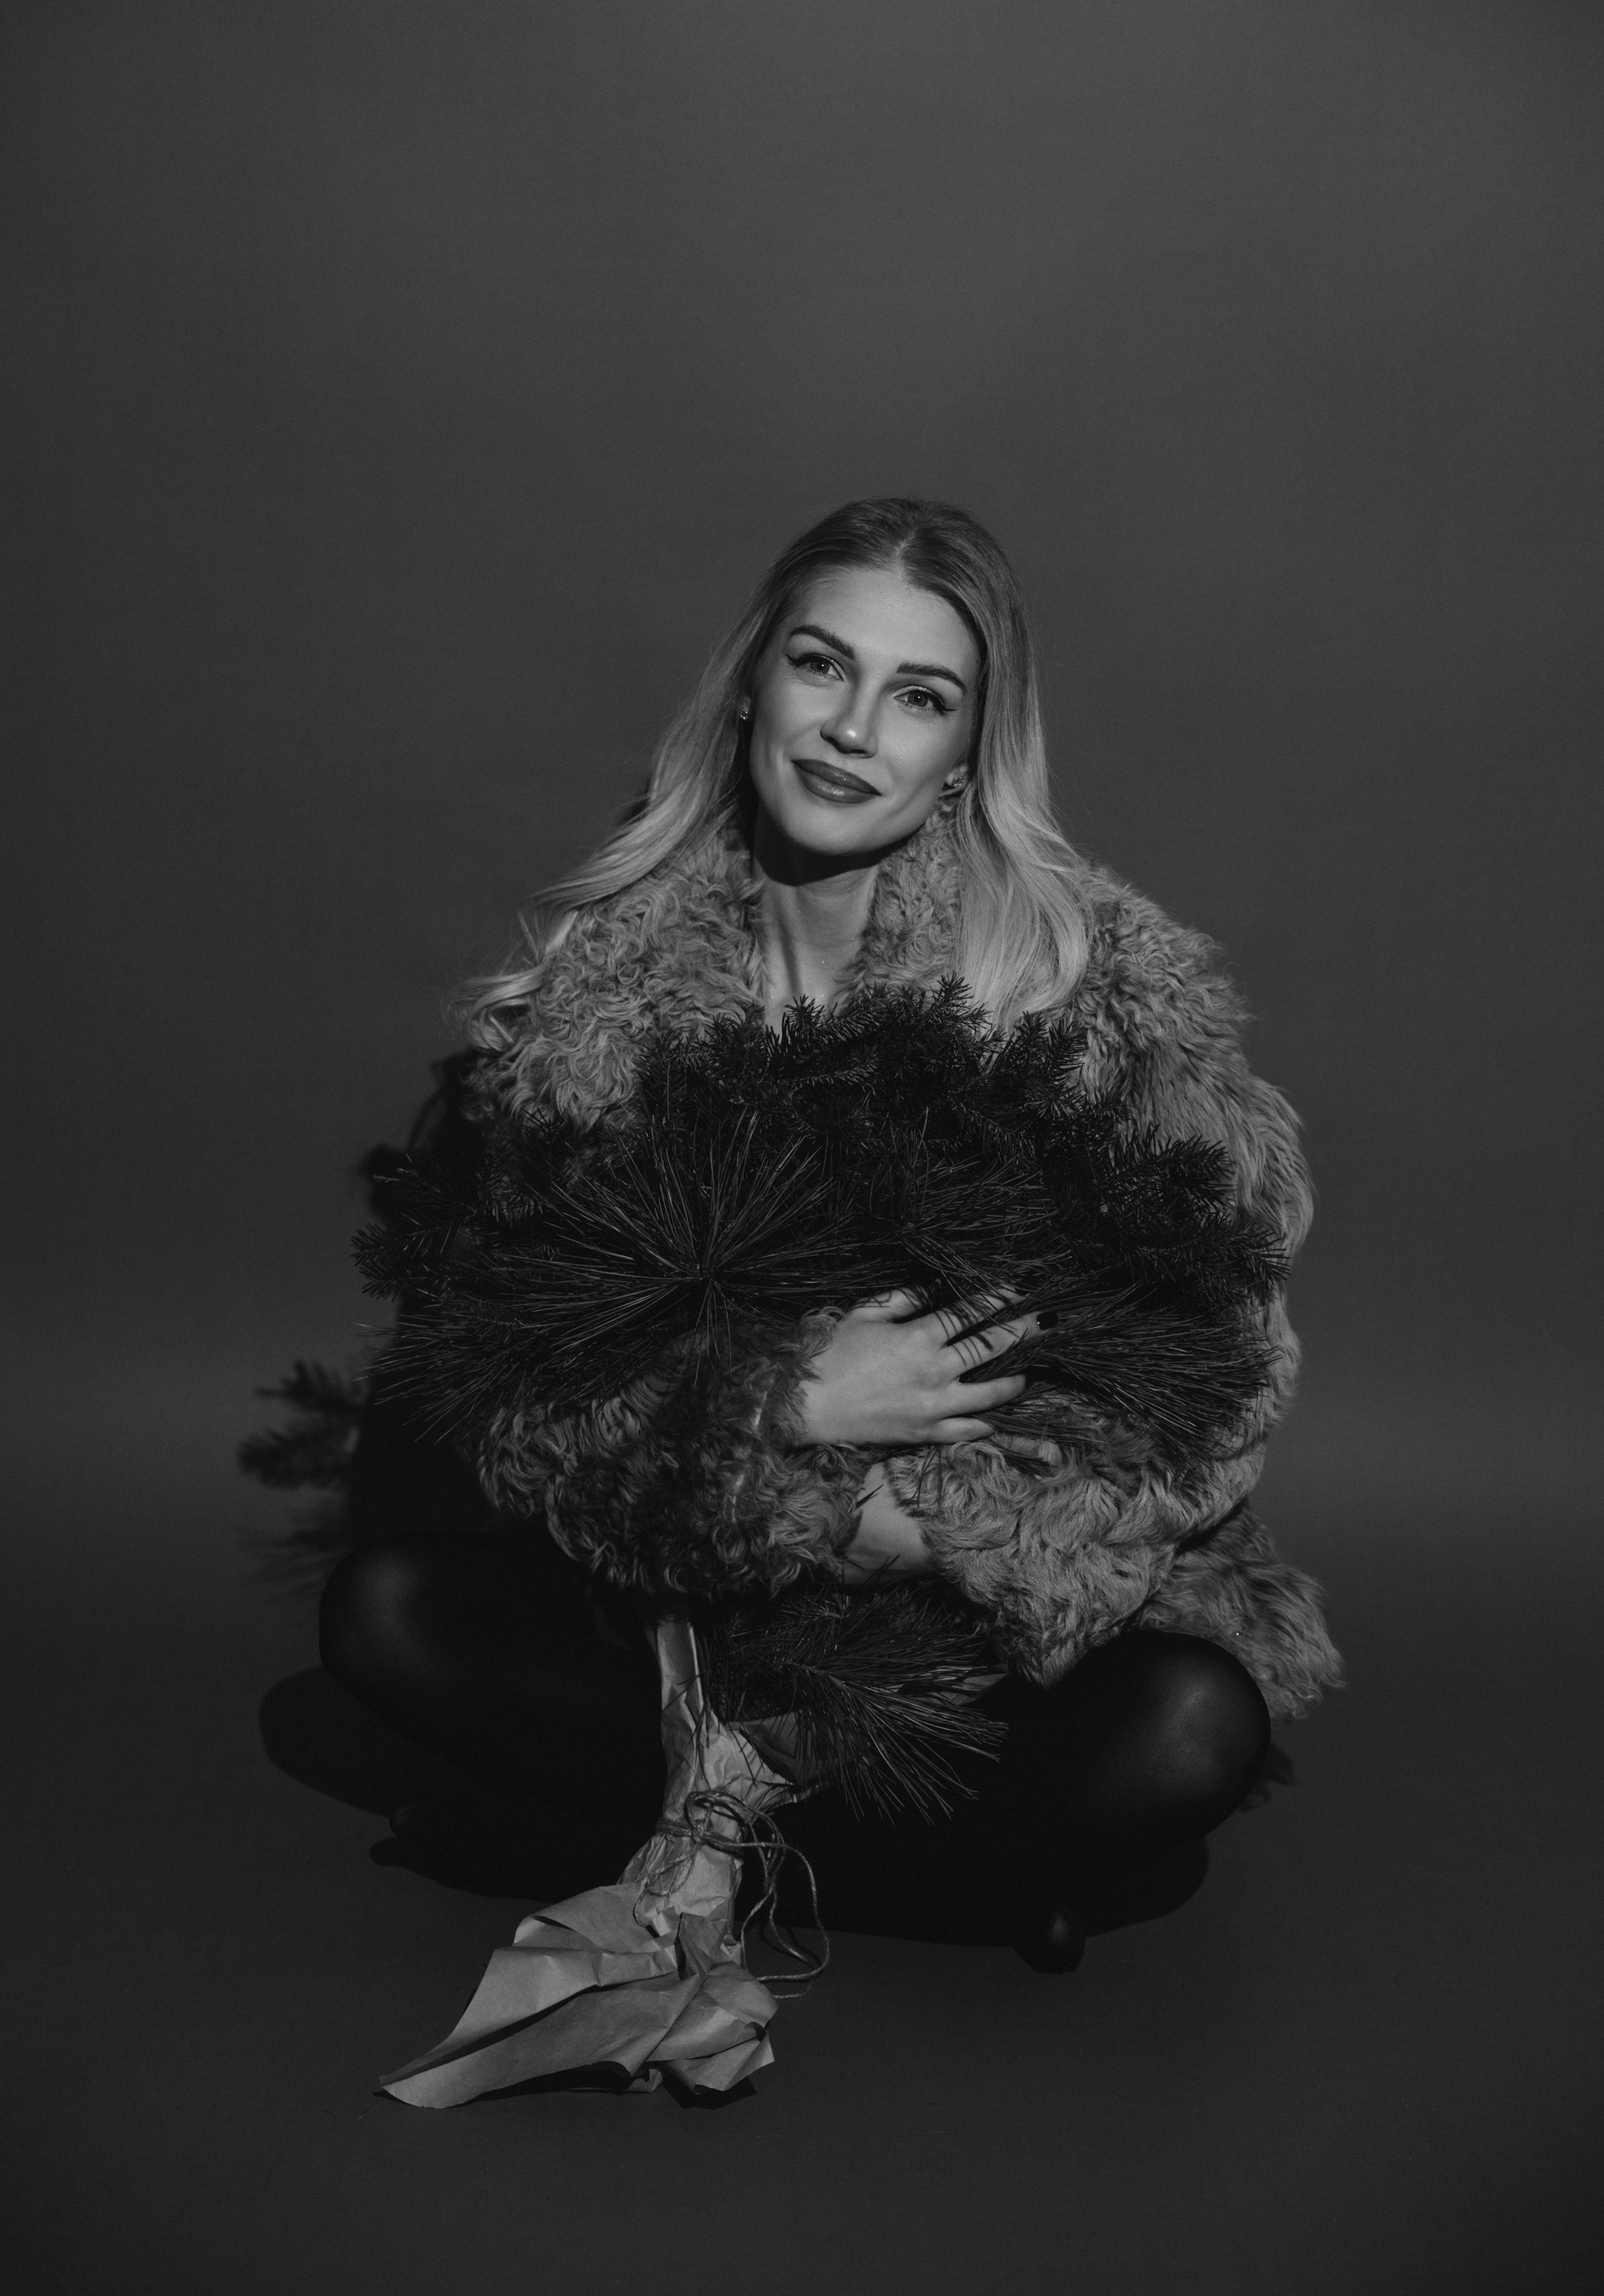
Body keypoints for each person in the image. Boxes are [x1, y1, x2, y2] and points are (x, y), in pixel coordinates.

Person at [320, 496, 1340, 1970]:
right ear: (754, 683)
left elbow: (1224, 1375)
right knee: (390, 1615)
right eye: (821, 665)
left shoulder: (1081, 983)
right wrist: (779, 1406)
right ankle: (929, 1878)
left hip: (963, 1650)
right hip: (674, 1625)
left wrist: (925, 1528)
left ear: (967, 751)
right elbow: (513, 1392)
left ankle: (674, 1836)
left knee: (1188, 1728)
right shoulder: (603, 1005)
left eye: (919, 697)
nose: (853, 729)